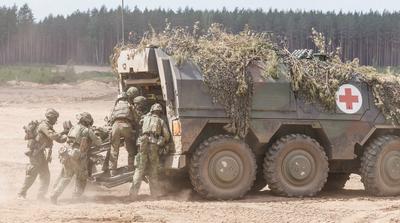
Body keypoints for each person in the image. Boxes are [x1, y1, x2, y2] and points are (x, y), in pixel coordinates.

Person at [50, 112, 102, 204]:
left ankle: (54, 195)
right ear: (87, 121)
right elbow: (98, 143)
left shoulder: (73, 128)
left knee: (66, 177)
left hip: (67, 153)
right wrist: (98, 136)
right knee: (81, 177)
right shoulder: (87, 130)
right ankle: (76, 197)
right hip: (77, 156)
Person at [17, 108, 67, 200]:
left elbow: (55, 136)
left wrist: (65, 135)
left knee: (45, 175)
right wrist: (64, 135)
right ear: (51, 117)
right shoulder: (44, 125)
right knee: (32, 174)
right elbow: (52, 136)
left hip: (41, 154)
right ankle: (21, 193)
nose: (56, 120)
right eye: (55, 118)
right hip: (36, 154)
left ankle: (41, 196)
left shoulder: (47, 125)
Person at [129, 103, 170, 199]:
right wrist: (163, 140)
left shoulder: (144, 118)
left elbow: (139, 128)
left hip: (142, 144)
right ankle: (154, 195)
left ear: (151, 110)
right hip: (153, 145)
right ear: (160, 112)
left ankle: (133, 195)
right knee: (153, 169)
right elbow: (167, 135)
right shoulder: (160, 121)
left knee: (139, 169)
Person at [107, 87, 140, 176]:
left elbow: (110, 119)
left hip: (115, 126)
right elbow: (136, 118)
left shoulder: (115, 106)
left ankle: (113, 171)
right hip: (126, 126)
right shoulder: (130, 105)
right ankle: (130, 167)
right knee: (130, 148)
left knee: (114, 149)